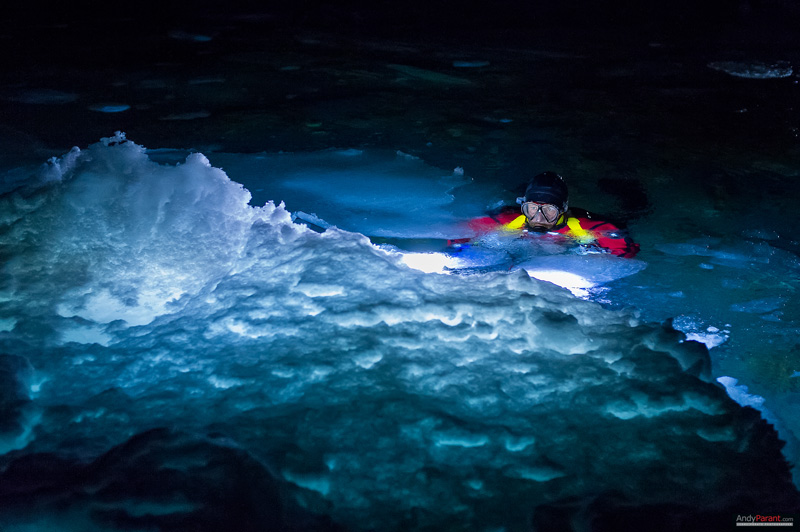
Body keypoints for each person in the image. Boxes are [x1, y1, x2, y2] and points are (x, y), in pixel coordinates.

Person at [451, 172, 640, 258]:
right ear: (523, 207)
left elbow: (624, 251)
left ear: (563, 210)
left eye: (549, 211)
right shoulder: (507, 220)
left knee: (633, 210)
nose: (538, 218)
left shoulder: (589, 227)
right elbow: (456, 233)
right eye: (532, 209)